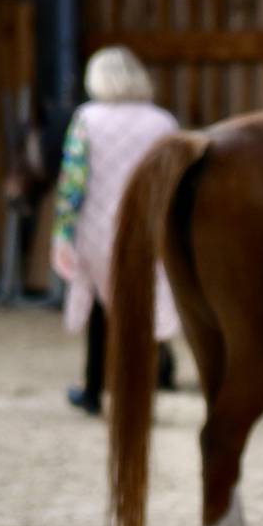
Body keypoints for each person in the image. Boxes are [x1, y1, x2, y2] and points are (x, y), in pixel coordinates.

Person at [50, 46, 181, 415]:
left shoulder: (87, 118)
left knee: (99, 311)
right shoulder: (163, 122)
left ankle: (93, 389)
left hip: (96, 229)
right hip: (147, 229)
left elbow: (73, 181)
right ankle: (141, 394)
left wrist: (63, 230)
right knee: (142, 311)